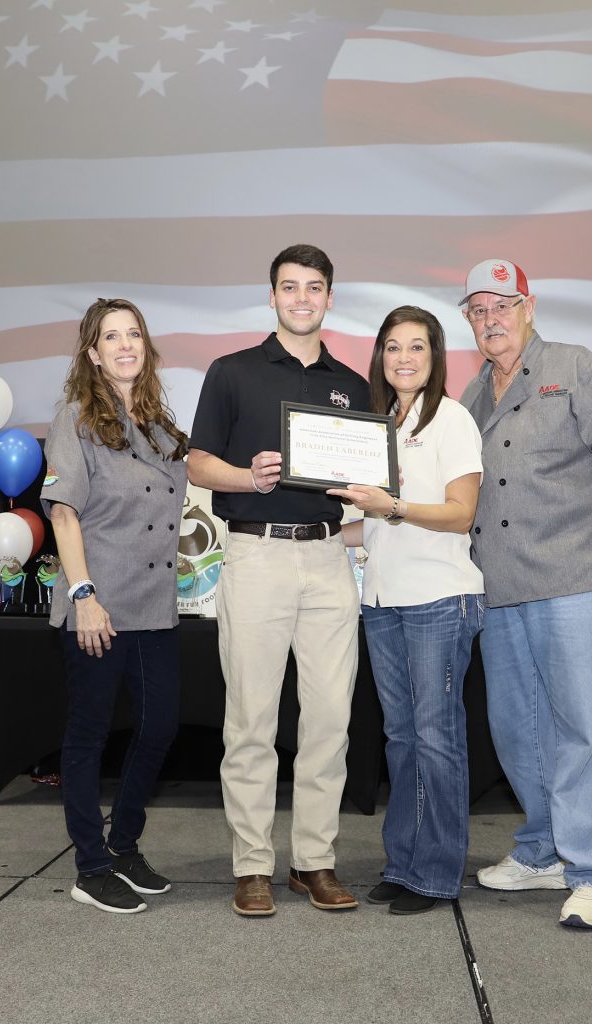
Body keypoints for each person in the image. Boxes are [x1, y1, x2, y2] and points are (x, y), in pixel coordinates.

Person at [458, 259, 592, 930]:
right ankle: (542, 850)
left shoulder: (576, 367)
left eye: (502, 305)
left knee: (581, 728)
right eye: (479, 310)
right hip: (499, 591)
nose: (492, 320)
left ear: (529, 306)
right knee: (516, 731)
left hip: (575, 581)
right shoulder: (471, 398)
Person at [187, 244, 369, 917]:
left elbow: (365, 484)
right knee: (252, 720)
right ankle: (253, 865)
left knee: (328, 721)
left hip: (328, 560)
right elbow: (199, 464)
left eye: (314, 287)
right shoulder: (231, 372)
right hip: (257, 558)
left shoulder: (353, 384)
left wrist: (370, 486)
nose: (301, 298)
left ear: (328, 297)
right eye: (289, 287)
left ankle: (314, 861)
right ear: (272, 296)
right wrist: (247, 478)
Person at [328, 306, 484, 915]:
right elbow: (370, 525)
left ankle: (439, 873)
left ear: (435, 355)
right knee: (399, 736)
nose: (404, 358)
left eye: (416, 347)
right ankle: (404, 861)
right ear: (380, 357)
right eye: (393, 347)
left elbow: (460, 512)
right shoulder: (374, 423)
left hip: (441, 598)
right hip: (383, 601)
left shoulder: (454, 419)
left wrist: (391, 506)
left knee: (436, 736)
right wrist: (315, 530)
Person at [40, 298, 188, 914]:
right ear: (93, 353)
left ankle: (123, 845)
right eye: (111, 337)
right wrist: (83, 597)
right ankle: (90, 865)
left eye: (134, 334)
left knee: (160, 728)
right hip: (97, 605)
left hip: (154, 606)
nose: (125, 344)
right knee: (88, 736)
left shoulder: (158, 423)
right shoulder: (75, 416)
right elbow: (64, 512)